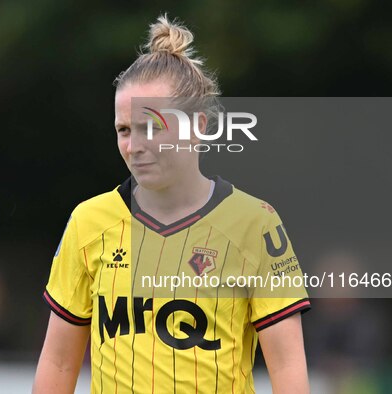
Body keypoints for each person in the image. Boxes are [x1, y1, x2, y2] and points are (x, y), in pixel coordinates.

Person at [33, 14, 311, 394]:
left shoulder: (255, 223)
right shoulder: (89, 221)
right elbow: (59, 361)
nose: (134, 146)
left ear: (198, 125)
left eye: (151, 127)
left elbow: (287, 364)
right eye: (124, 130)